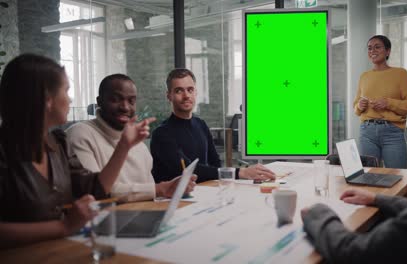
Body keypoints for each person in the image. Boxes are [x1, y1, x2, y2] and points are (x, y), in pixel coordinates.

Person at [301, 39, 407, 263]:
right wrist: (378, 198)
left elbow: (356, 253)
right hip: (368, 129)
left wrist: (318, 214)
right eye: (368, 47)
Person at [0, 54, 155, 248]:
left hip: (61, 251)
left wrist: (124, 146)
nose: (70, 98)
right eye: (66, 90)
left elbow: (95, 189)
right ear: (47, 99)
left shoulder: (58, 143)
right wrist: (64, 226)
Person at [67, 74, 196, 202]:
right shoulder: (79, 134)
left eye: (131, 101)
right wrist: (161, 189)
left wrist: (166, 189)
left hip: (144, 215)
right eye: (116, 99)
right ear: (99, 101)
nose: (125, 107)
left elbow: (149, 194)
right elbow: (94, 190)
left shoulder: (139, 146)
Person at [150, 68, 275, 183]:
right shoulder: (162, 134)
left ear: (195, 92)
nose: (186, 95)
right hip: (173, 201)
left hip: (205, 192)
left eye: (190, 89)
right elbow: (188, 171)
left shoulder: (200, 124)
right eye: (179, 91)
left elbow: (215, 164)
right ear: (169, 96)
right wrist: (240, 172)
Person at [353, 35, 407, 168]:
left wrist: (389, 103)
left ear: (388, 51)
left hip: (392, 132)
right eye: (369, 48)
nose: (372, 51)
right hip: (367, 132)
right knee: (368, 175)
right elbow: (356, 107)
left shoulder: (401, 74)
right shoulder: (364, 76)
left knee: (398, 176)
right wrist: (359, 105)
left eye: (377, 47)